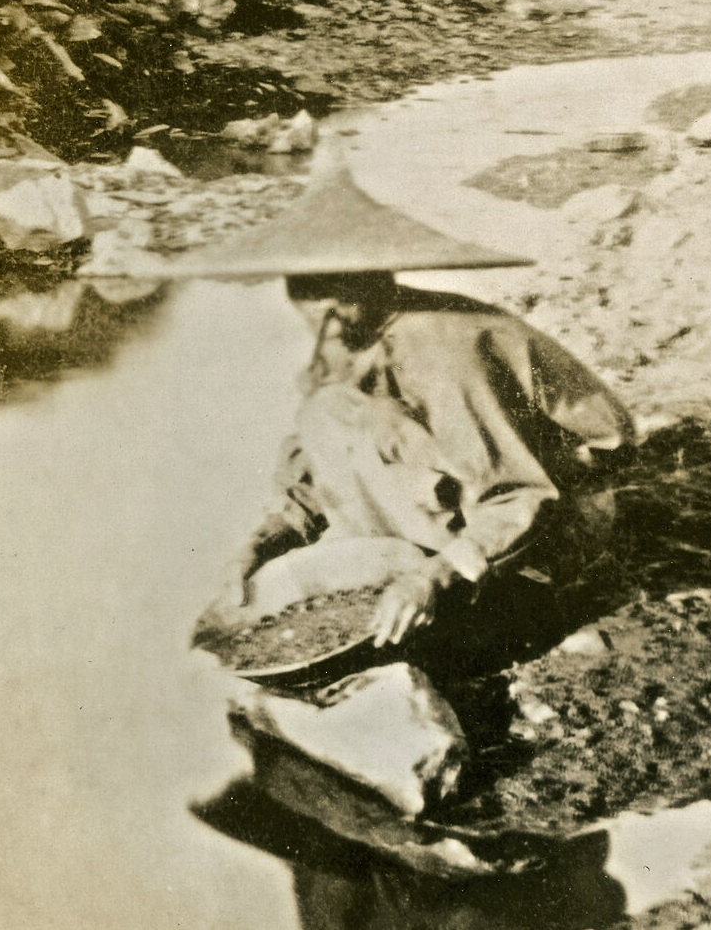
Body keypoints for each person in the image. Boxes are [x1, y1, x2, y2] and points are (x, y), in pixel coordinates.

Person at [190, 148, 634, 652]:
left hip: (561, 509)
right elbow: (311, 473)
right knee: (328, 411)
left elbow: (519, 496)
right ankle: (414, 572)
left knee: (385, 440)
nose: (322, 308)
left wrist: (436, 577)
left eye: (338, 286)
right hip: (483, 499)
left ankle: (487, 601)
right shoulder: (347, 343)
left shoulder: (444, 352)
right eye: (305, 288)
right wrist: (264, 542)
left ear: (378, 278)